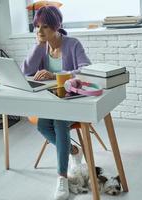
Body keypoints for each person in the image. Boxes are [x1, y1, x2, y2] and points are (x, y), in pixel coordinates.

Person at [21, 6, 91, 200]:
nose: (40, 31)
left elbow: (86, 69)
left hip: (71, 101)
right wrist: (37, 46)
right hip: (49, 101)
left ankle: (62, 177)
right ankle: (74, 150)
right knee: (43, 126)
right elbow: (25, 71)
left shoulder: (72, 44)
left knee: (60, 123)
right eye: (37, 27)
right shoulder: (41, 45)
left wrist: (56, 74)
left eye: (44, 27)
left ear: (56, 26)